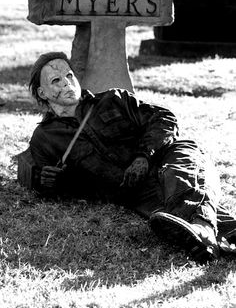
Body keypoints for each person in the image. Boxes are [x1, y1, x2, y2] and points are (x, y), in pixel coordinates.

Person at [28, 51, 236, 263]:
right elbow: (38, 179)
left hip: (168, 156)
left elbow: (164, 118)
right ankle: (215, 234)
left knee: (182, 167)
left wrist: (144, 156)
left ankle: (201, 229)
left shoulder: (114, 98)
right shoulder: (45, 138)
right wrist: (53, 183)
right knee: (179, 199)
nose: (66, 84)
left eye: (69, 76)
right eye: (56, 80)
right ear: (42, 93)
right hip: (136, 192)